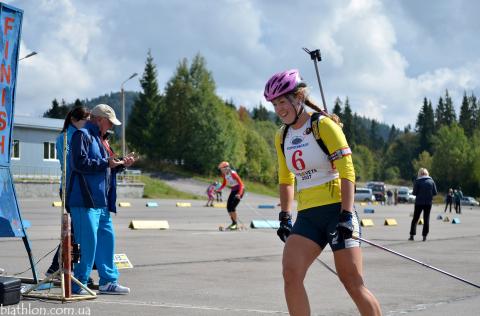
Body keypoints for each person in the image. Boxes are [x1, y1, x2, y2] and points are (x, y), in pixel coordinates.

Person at [264, 69, 381, 316]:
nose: (279, 109)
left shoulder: (323, 125)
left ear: (298, 98)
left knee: (352, 282)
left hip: (336, 211)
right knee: (290, 274)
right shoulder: (282, 136)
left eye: (282, 101)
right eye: (274, 104)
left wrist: (347, 214)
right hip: (308, 217)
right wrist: (285, 215)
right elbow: (286, 179)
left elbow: (348, 171)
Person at [67, 104, 135, 295]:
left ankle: (108, 281)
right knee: (85, 244)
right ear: (99, 119)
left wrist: (122, 164)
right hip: (83, 200)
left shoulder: (101, 139)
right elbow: (79, 163)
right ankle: (79, 282)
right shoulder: (82, 135)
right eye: (109, 122)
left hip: (101, 202)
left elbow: (106, 167)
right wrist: (106, 162)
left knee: (107, 241)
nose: (111, 127)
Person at [45, 106, 90, 277]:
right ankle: (57, 267)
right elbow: (71, 163)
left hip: (80, 188)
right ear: (74, 120)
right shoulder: (64, 138)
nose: (87, 123)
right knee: (75, 230)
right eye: (85, 119)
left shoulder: (83, 136)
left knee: (77, 231)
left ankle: (67, 269)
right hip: (71, 188)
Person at [409, 168, 437, 242]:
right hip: (428, 203)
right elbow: (435, 193)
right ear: (427, 173)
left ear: (420, 173)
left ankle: (412, 235)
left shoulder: (417, 181)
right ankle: (424, 236)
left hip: (419, 202)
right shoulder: (431, 181)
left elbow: (414, 193)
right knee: (426, 219)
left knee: (415, 218)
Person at [216, 161, 244, 230]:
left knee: (232, 207)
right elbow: (224, 184)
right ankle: (234, 223)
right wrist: (219, 189)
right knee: (228, 207)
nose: (221, 171)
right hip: (233, 191)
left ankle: (235, 224)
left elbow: (241, 184)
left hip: (239, 190)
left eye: (221, 169)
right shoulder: (225, 175)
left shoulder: (233, 174)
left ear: (226, 168)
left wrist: (239, 194)